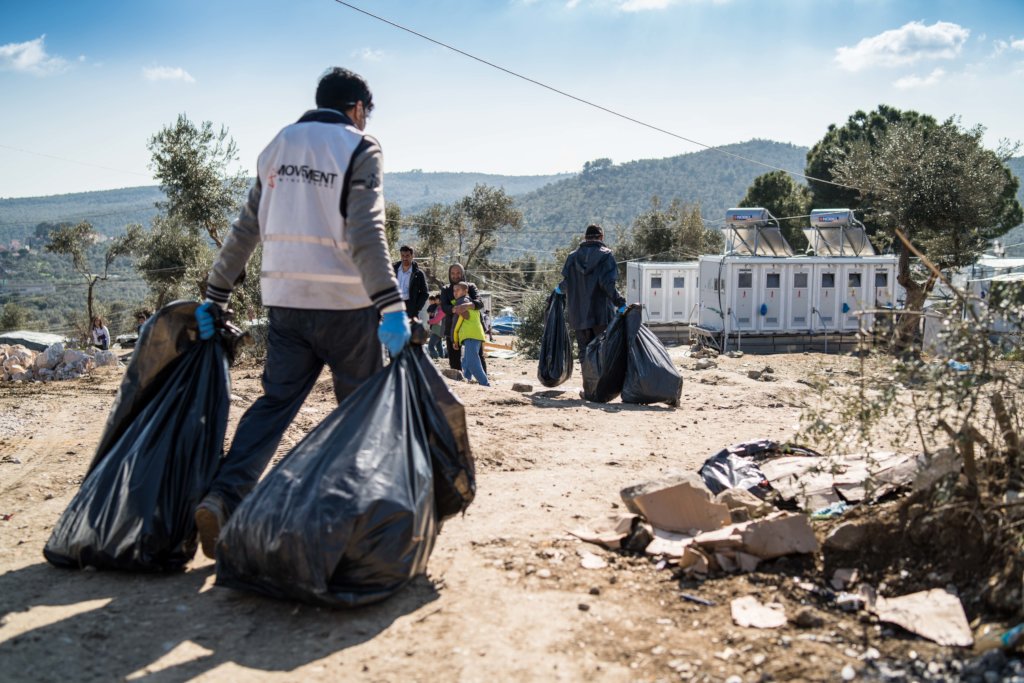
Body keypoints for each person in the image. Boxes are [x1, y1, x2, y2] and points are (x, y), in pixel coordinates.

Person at [191, 66, 410, 559]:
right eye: (366, 113)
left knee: (273, 404)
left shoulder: (277, 145)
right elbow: (366, 232)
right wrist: (391, 305)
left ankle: (223, 498)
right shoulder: (360, 146)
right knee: (358, 414)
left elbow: (245, 227)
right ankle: (351, 519)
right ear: (356, 108)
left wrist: (216, 294)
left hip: (285, 305)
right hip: (346, 308)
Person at [557, 224, 626, 357]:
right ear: (601, 237)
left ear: (585, 237)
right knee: (602, 353)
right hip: (601, 316)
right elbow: (607, 284)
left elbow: (566, 283)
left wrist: (557, 291)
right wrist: (620, 303)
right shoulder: (606, 256)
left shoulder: (572, 257)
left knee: (584, 353)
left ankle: (588, 378)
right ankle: (600, 378)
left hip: (578, 317)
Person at [440, 263, 486, 374]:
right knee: (454, 359)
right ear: (449, 274)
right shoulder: (446, 289)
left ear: (463, 273)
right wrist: (457, 309)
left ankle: (483, 381)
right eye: (453, 273)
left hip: (472, 329)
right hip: (453, 328)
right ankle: (458, 382)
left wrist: (466, 306)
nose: (455, 276)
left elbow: (479, 303)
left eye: (458, 273)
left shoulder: (470, 287)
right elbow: (445, 307)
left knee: (477, 355)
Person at [451, 282, 489, 386]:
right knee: (466, 362)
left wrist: (456, 309)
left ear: (465, 291)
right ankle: (466, 382)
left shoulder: (463, 301)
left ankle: (485, 384)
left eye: (457, 290)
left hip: (471, 334)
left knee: (472, 362)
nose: (455, 293)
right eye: (454, 290)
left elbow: (466, 316)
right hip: (472, 334)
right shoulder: (465, 301)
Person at [393, 245, 428, 320]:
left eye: (407, 256)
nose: (405, 258)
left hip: (410, 310)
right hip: (394, 307)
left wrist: (416, 308)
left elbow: (424, 293)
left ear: (412, 256)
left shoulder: (418, 274)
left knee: (410, 331)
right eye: (403, 256)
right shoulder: (392, 270)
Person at [427, 294, 446, 359]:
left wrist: (429, 321)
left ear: (440, 300)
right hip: (438, 330)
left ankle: (436, 358)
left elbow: (437, 319)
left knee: (430, 346)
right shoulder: (439, 307)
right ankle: (442, 358)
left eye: (436, 299)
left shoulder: (442, 308)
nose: (435, 300)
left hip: (438, 330)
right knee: (439, 346)